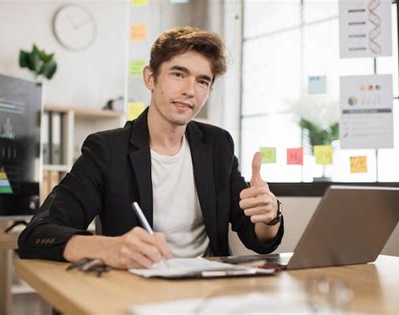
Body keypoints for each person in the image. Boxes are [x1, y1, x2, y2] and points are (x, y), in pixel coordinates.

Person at [18, 26, 284, 269]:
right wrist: (107, 248)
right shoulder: (107, 150)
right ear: (150, 78)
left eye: (202, 81)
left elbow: (257, 239)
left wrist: (268, 217)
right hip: (138, 288)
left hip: (207, 288)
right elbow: (36, 234)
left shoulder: (217, 144)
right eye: (179, 74)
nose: (190, 90)